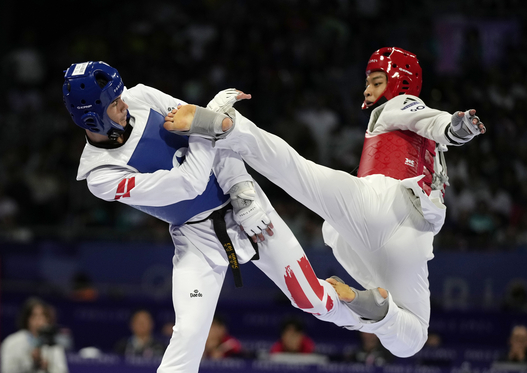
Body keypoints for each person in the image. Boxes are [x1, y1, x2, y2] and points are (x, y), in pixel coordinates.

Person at [168, 47, 487, 358]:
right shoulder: (430, 150)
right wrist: (451, 131)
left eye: (376, 82)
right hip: (409, 243)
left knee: (296, 170)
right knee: (414, 337)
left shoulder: (400, 105)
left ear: (400, 82)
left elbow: (433, 121)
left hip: (381, 202)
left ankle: (228, 126)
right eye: (367, 83)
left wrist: (454, 127)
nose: (367, 90)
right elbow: (433, 129)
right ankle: (361, 305)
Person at [62, 61, 372, 372]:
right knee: (188, 336)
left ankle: (371, 314)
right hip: (197, 237)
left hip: (244, 203)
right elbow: (190, 181)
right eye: (115, 103)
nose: (125, 102)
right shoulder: (100, 176)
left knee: (311, 299)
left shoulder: (142, 96)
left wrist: (242, 191)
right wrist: (206, 119)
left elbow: (218, 138)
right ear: (92, 116)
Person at [1, 297, 68, 373]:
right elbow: (7, 370)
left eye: (43, 316)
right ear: (27, 319)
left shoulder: (53, 343)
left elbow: (62, 370)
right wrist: (32, 362)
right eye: (34, 316)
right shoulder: (11, 342)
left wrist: (47, 367)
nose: (39, 320)